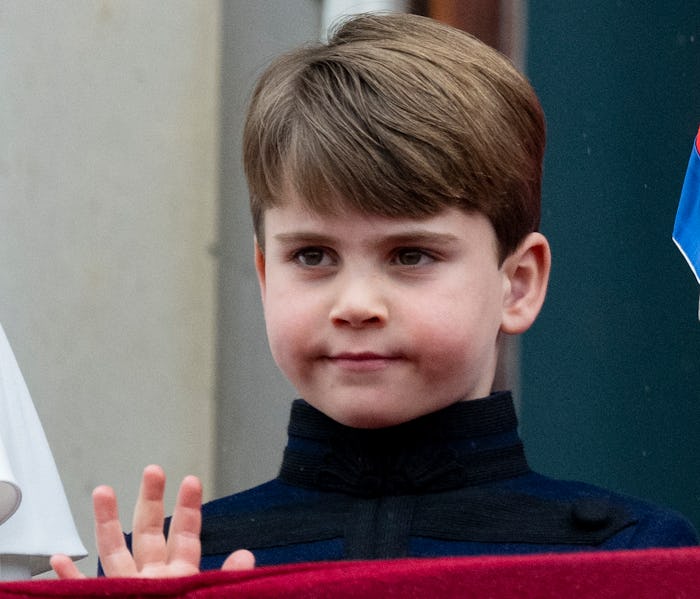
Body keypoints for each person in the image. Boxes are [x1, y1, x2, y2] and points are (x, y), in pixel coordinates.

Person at [51, 12, 698, 579]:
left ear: (517, 282)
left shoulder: (630, 559)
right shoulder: (171, 567)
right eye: (313, 255)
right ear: (265, 274)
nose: (356, 302)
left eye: (410, 255)